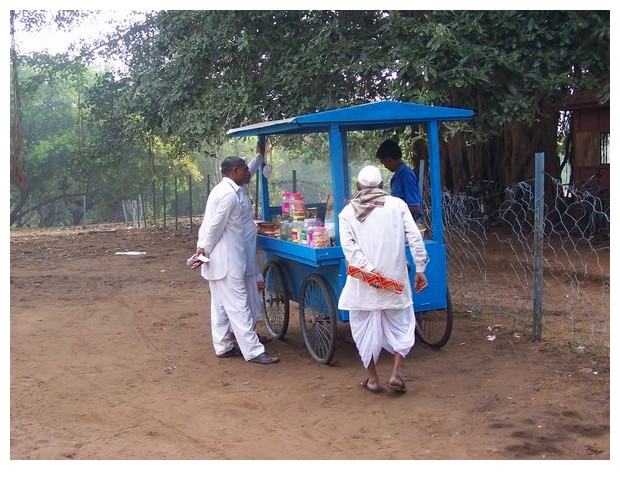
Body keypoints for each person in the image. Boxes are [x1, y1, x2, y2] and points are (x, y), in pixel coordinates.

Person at [338, 165, 428, 393]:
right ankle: (396, 374)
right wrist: (420, 268)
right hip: (394, 282)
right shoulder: (397, 206)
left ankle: (373, 379)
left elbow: (350, 249)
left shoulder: (347, 213)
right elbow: (415, 238)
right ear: (382, 185)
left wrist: (370, 270)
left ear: (357, 187)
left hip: (363, 283)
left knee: (361, 329)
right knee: (403, 324)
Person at [195, 153, 279, 364]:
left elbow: (210, 225)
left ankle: (223, 345)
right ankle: (253, 351)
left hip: (222, 259)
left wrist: (203, 248)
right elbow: (215, 226)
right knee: (239, 306)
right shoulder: (229, 195)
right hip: (227, 260)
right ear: (235, 171)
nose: (247, 171)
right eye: (244, 169)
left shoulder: (224, 190)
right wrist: (203, 249)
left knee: (221, 307)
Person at [375, 138, 423, 221]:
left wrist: (390, 209)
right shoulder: (398, 176)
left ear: (389, 160)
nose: (385, 167)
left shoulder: (406, 175)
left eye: (384, 164)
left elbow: (415, 207)